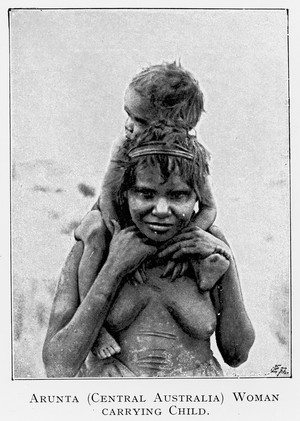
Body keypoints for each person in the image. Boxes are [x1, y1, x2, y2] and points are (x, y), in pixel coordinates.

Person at [42, 125, 255, 377]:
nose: (162, 210)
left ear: (196, 198)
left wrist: (226, 265)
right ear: (125, 194)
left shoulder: (207, 246)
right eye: (146, 193)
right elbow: (57, 368)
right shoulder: (97, 243)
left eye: (178, 195)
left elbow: (237, 355)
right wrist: (114, 268)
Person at [76, 61, 218, 359]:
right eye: (127, 115)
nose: (128, 125)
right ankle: (96, 331)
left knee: (205, 238)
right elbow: (108, 196)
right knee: (94, 233)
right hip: (119, 217)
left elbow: (208, 207)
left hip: (167, 225)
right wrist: (120, 239)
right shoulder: (123, 146)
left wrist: (187, 239)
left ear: (172, 126)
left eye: (138, 119)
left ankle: (206, 273)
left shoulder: (190, 157)